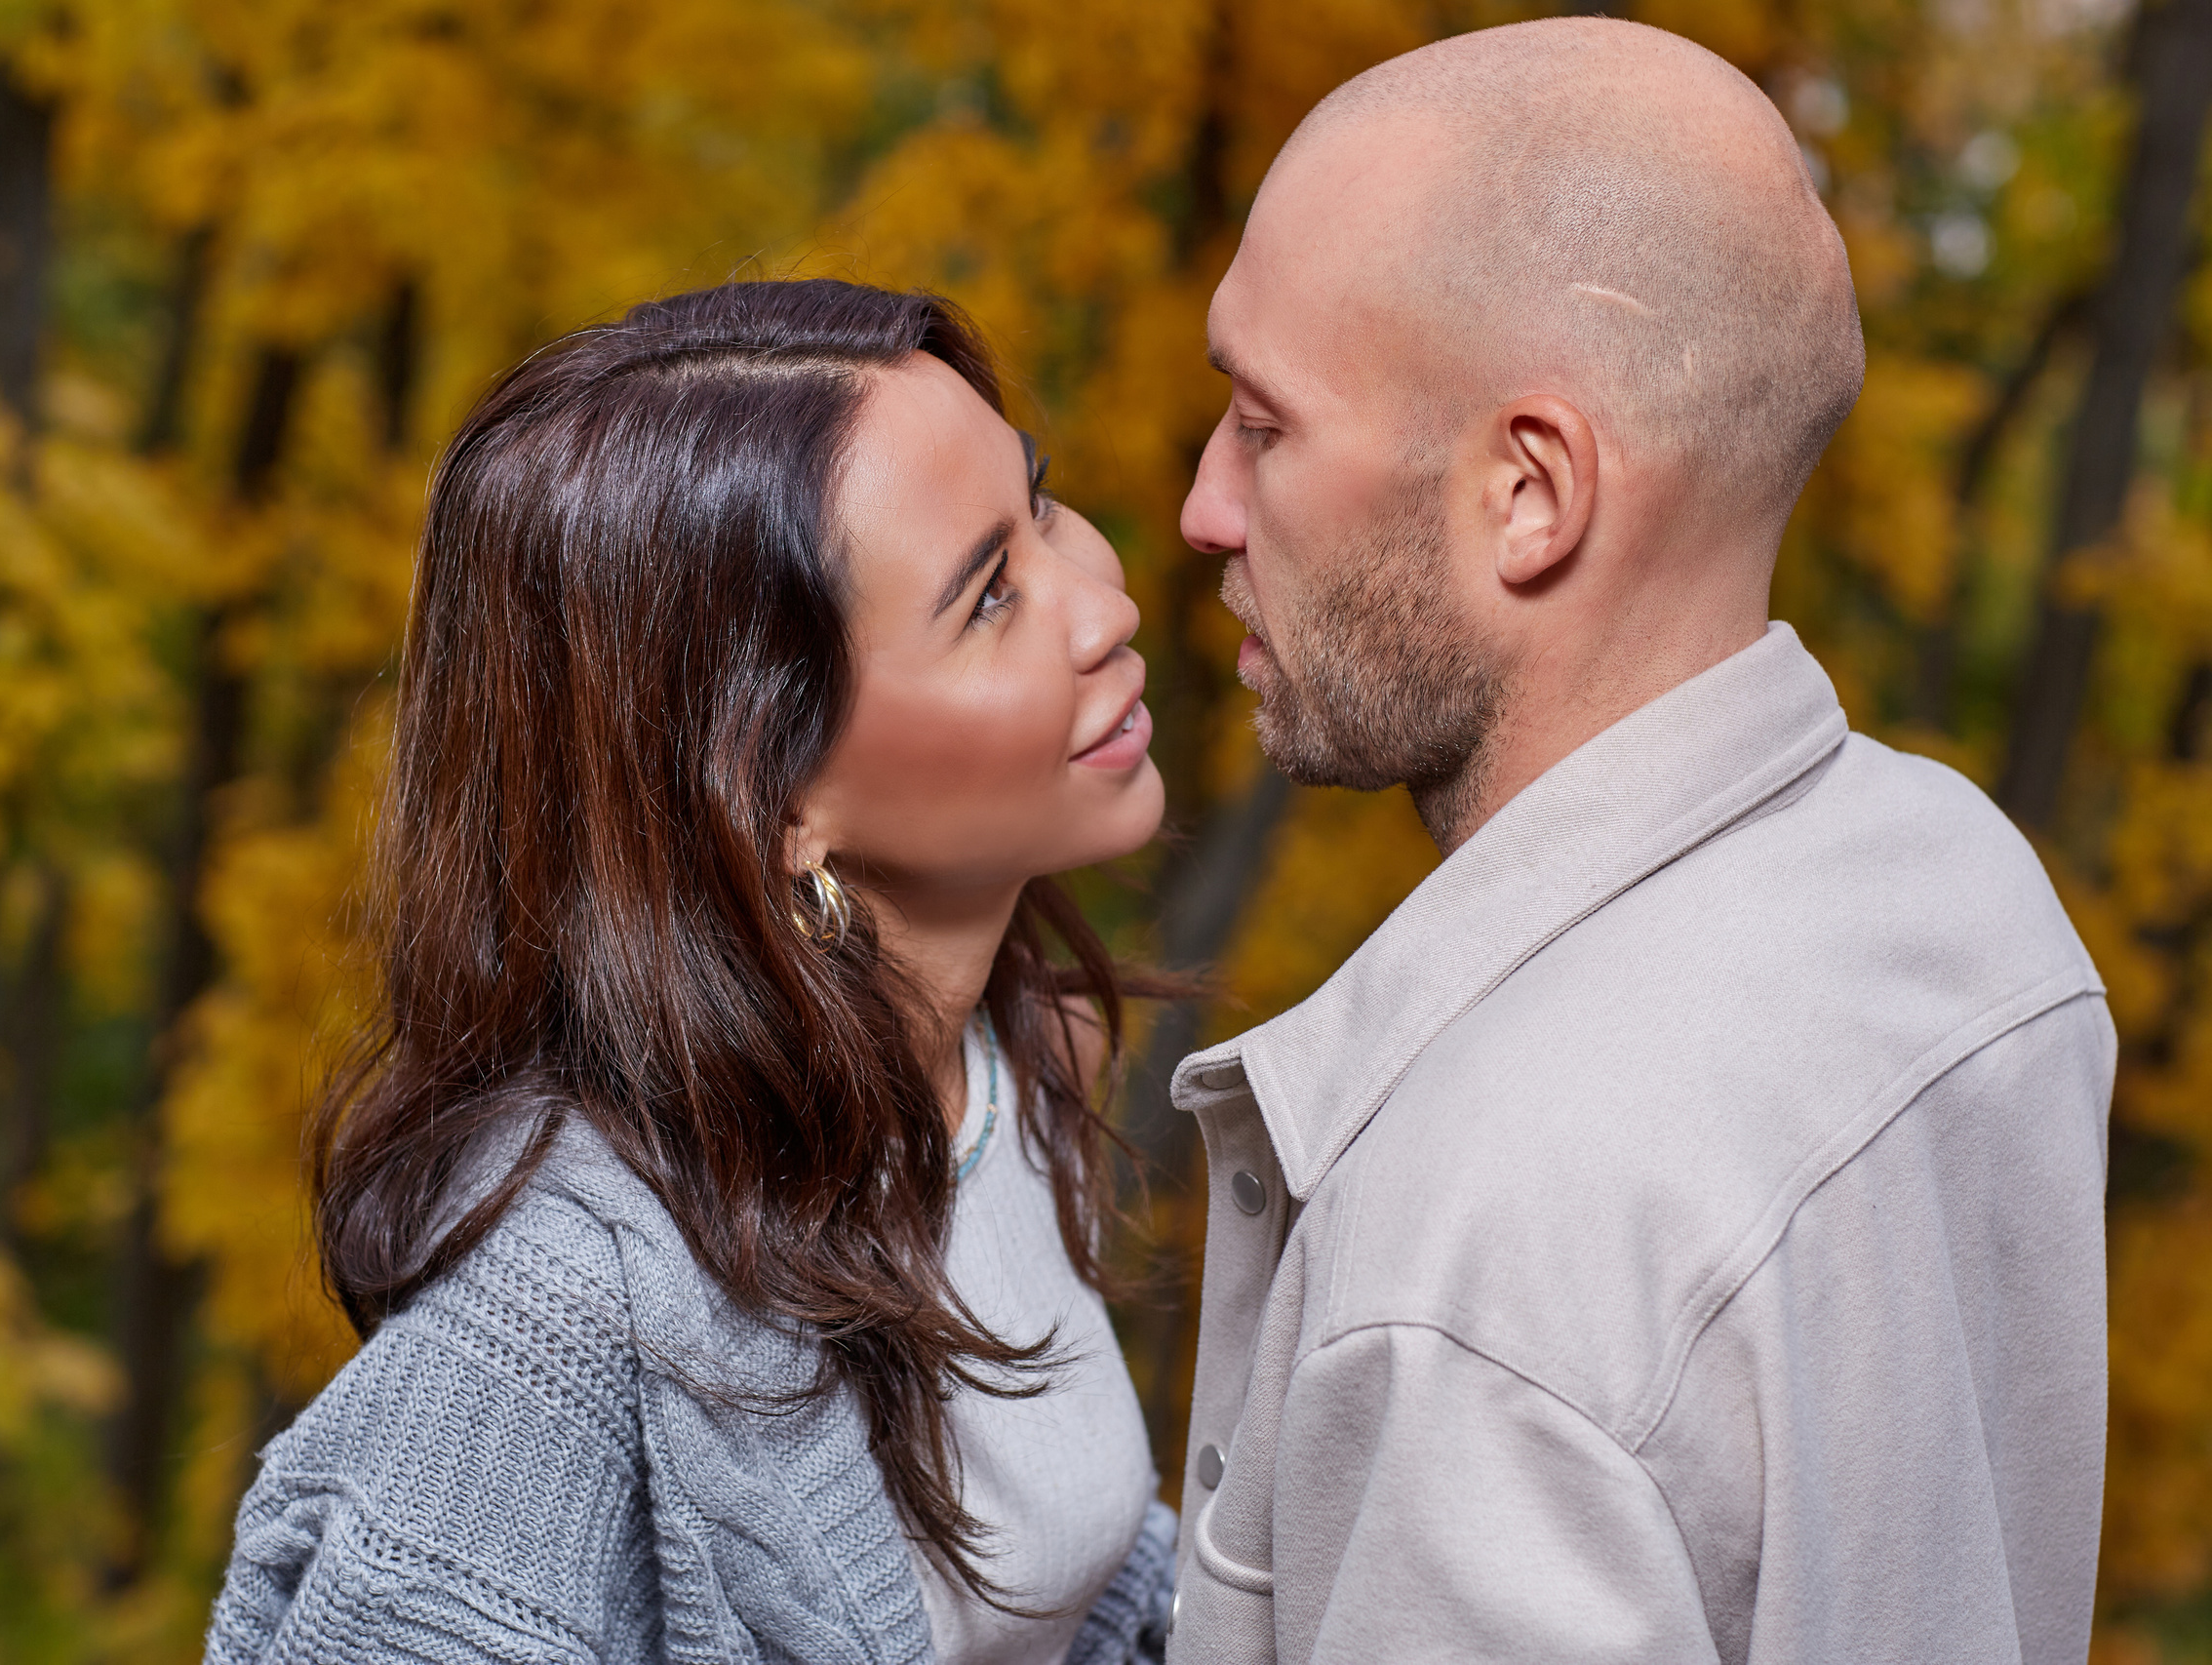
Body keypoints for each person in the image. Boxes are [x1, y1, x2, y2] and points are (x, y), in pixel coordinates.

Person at [1165, 20, 2111, 1665]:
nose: (1203, 508)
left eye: (1261, 424)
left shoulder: (1485, 1263)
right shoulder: (1961, 891)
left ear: (1531, 493)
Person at [205, 279, 1176, 1665]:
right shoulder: (550, 1327)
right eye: (992, 596)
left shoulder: (1001, 1077)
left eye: (1045, 504)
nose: (1102, 600)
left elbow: (1059, 1580)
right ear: (771, 799)